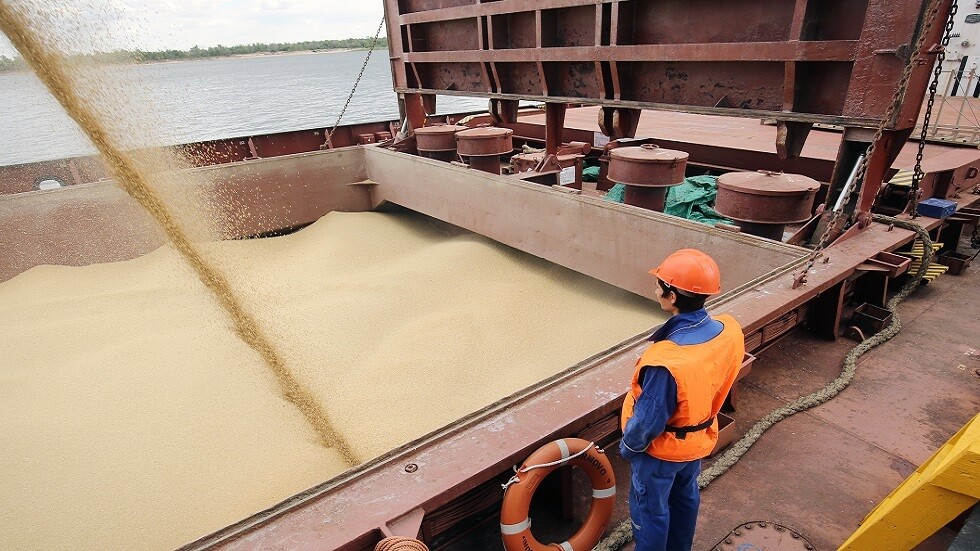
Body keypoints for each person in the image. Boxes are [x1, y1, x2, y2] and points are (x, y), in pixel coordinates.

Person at [620, 249, 745, 551]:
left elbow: (647, 423)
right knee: (685, 499)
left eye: (659, 284)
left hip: (660, 452)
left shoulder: (667, 362)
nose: (656, 290)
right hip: (696, 442)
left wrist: (629, 449)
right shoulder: (729, 331)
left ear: (672, 296)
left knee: (651, 512)